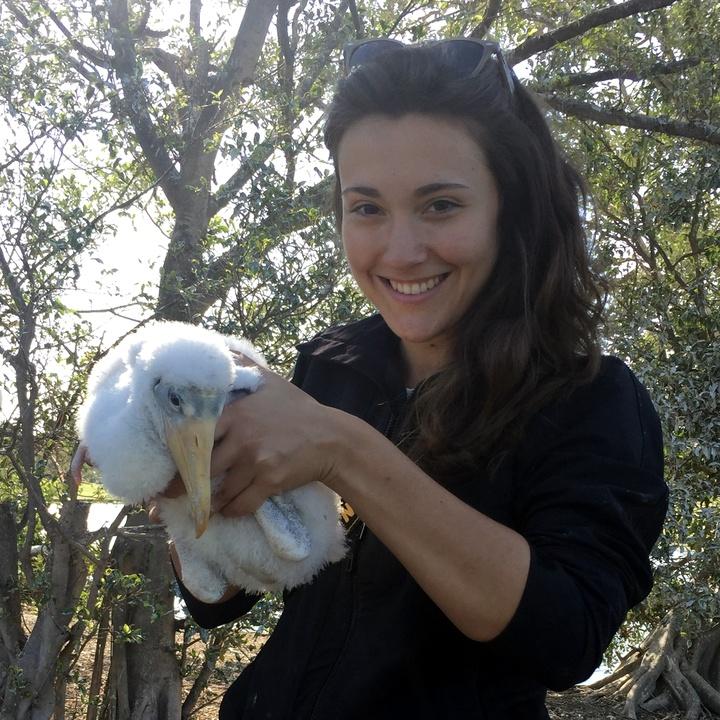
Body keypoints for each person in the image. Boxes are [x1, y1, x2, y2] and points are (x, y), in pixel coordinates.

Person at [164, 39, 668, 719]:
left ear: (510, 209)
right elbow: (224, 599)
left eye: (440, 206)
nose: (400, 251)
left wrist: (346, 453)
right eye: (366, 208)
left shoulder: (591, 401)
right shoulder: (331, 365)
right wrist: (186, 488)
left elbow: (567, 635)